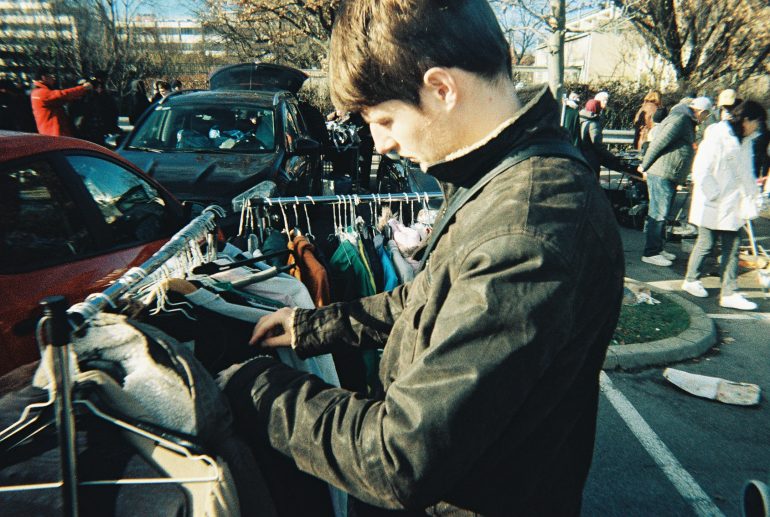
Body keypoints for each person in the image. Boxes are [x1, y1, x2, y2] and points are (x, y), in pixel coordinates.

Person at [222, 0, 625, 515]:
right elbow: (433, 296)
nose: (380, 143)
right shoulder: (502, 177)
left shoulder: (526, 227)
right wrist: (313, 326)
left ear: (441, 88)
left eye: (385, 118)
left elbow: (399, 460)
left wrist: (252, 386)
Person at [681, 100, 764, 311]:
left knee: (733, 247)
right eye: (757, 122)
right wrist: (714, 195)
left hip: (732, 204)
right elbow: (700, 169)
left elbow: (747, 173)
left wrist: (753, 198)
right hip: (713, 202)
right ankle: (691, 280)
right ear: (746, 119)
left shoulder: (746, 141)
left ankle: (729, 292)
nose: (758, 127)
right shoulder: (718, 135)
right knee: (706, 244)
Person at [638, 97, 712, 267]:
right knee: (658, 213)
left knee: (663, 214)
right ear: (702, 111)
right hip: (661, 173)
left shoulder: (686, 120)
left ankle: (658, 248)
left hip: (669, 174)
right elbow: (658, 142)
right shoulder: (680, 119)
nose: (705, 119)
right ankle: (651, 252)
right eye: (705, 115)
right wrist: (644, 165)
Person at [30, 69, 92, 136]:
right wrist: (83, 88)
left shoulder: (36, 92)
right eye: (51, 76)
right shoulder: (41, 93)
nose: (53, 79)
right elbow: (62, 95)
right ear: (43, 78)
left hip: (52, 132)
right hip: (54, 133)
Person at [578, 98, 628, 178]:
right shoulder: (593, 123)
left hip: (580, 156)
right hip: (591, 158)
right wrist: (612, 157)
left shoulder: (580, 119)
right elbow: (597, 145)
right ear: (597, 109)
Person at [71, 76, 120, 145]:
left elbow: (112, 113)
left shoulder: (103, 98)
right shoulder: (79, 100)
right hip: (84, 131)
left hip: (98, 132)